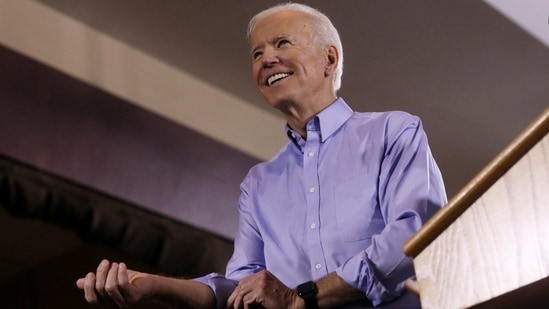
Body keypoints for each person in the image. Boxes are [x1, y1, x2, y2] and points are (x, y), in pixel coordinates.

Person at [76, 3, 447, 308]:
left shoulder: (393, 132)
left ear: (329, 60)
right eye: (257, 53)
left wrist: (304, 297)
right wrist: (153, 285)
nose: (266, 59)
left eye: (282, 43)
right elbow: (241, 290)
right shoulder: (258, 185)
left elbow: (415, 237)